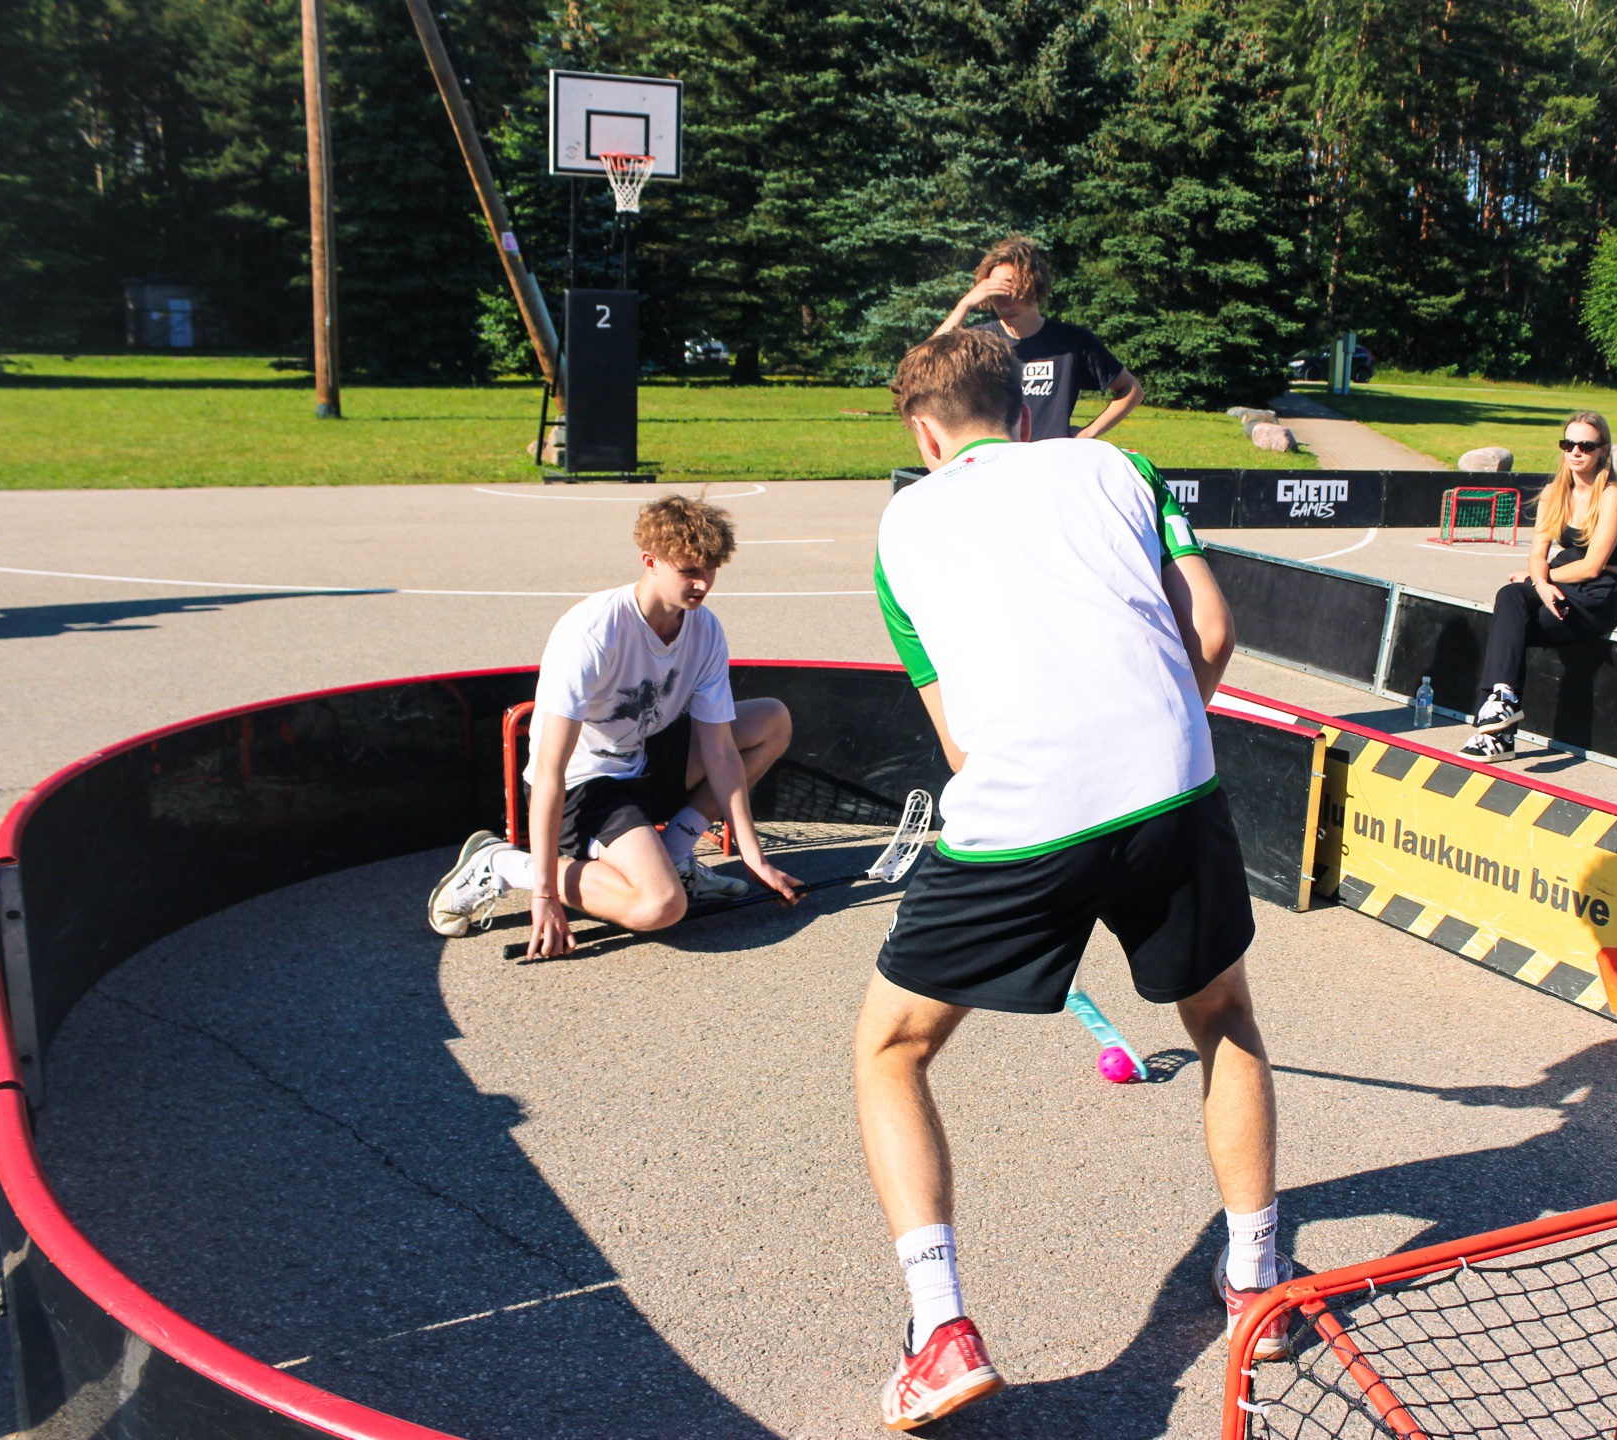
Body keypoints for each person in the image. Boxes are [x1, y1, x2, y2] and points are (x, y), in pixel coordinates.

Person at [859, 329, 1280, 1429]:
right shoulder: (1118, 466)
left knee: (893, 1050)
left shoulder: (901, 527)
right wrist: (1151, 733)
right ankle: (1257, 1281)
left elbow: (960, 747)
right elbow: (1214, 630)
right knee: (1223, 1017)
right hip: (1172, 782)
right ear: (1024, 409)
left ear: (925, 433)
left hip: (1024, 813)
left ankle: (941, 1330)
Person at [426, 497, 803, 957]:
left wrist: (754, 857)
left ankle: (674, 855)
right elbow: (549, 770)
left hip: (643, 755)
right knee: (660, 906)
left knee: (771, 720)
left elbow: (720, 752)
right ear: (650, 561)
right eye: (688, 571)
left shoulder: (705, 629)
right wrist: (544, 895)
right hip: (584, 784)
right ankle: (504, 864)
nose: (702, 583)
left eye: (710, 569)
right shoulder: (592, 632)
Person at [1461, 412, 1617, 761]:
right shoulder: (1554, 493)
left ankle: (1496, 730)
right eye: (1568, 444)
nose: (1575, 452)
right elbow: (1536, 554)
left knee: (1511, 615)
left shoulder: (1612, 496)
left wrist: (1540, 579)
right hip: (1558, 586)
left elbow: (1592, 566)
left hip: (1596, 598)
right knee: (1511, 607)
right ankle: (1501, 709)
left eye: (1586, 445)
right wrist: (1539, 582)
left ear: (1603, 450)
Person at [932, 234, 1144, 443]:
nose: (1005, 303)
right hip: (997, 459)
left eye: (1013, 290)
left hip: (1053, 459)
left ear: (1034, 286)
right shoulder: (982, 342)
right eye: (996, 293)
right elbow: (926, 366)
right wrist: (965, 304)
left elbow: (1131, 390)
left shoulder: (1072, 342)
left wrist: (1088, 433)